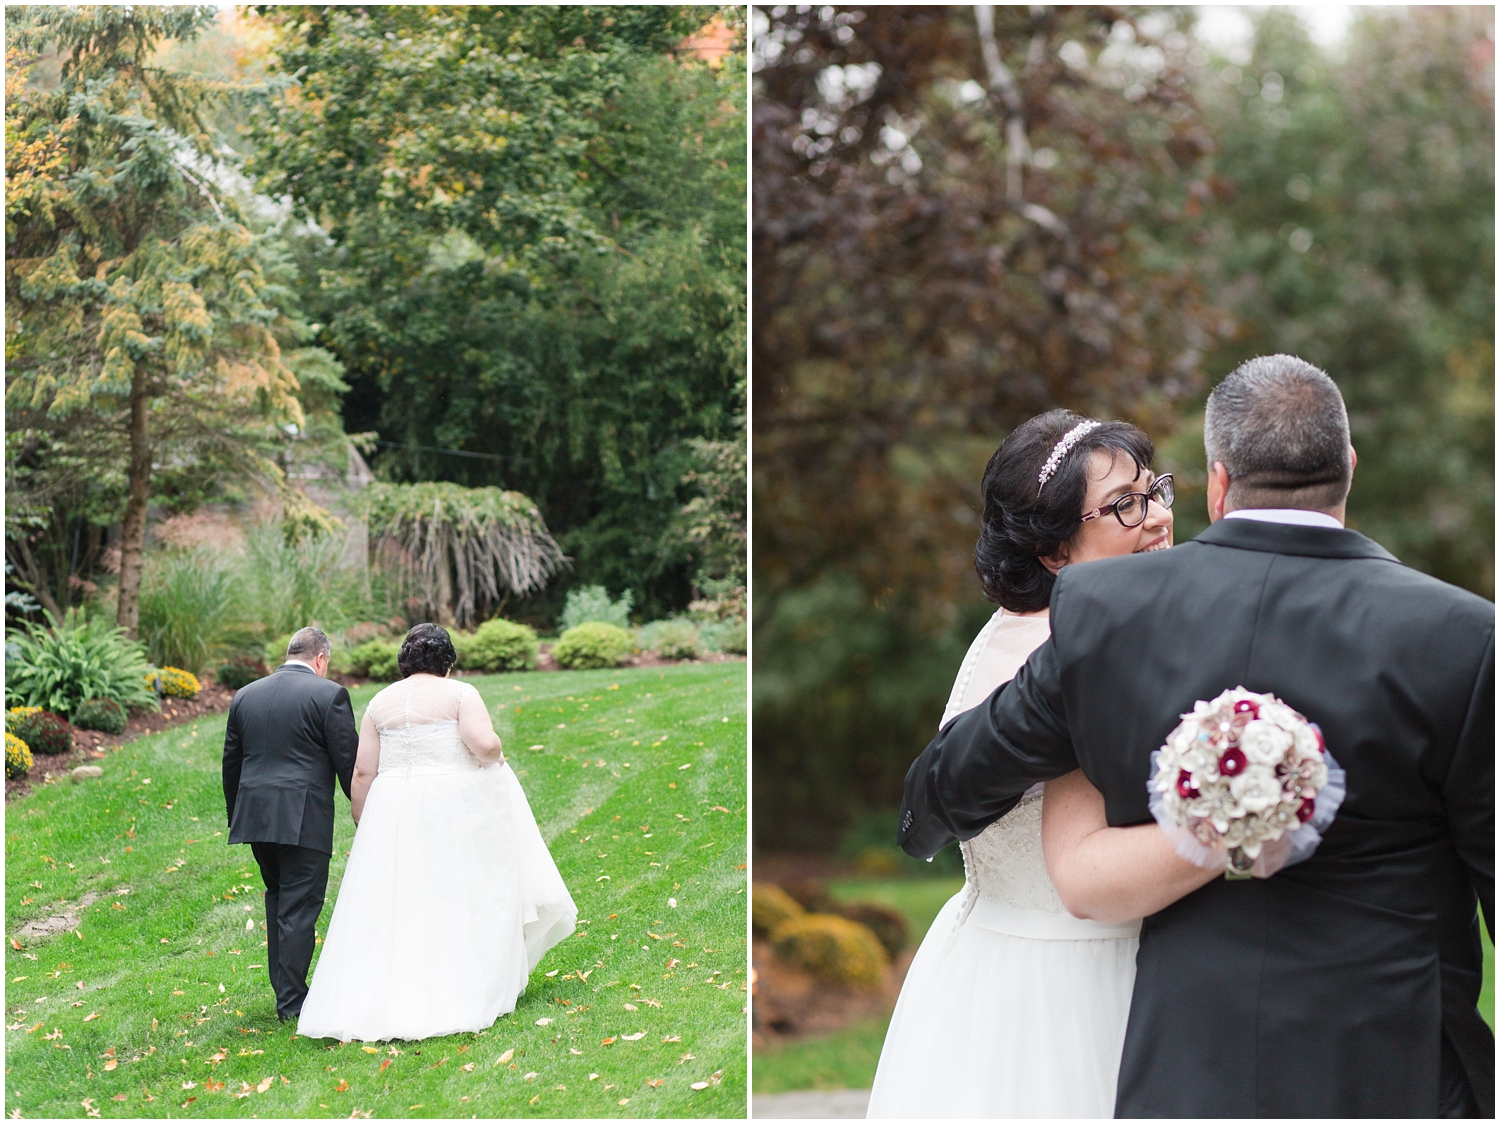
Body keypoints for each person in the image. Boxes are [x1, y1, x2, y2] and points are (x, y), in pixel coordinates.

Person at [899, 355, 1494, 1117]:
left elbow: (947, 786)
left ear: (1218, 481)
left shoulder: (1107, 618)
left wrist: (926, 820)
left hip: (1183, 1062)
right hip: (1397, 1068)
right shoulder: (1464, 637)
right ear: (1347, 468)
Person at [868, 411, 1214, 1118]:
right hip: (1065, 986)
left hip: (989, 957)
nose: (1157, 520)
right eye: (1124, 506)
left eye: (1156, 493)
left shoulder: (1020, 629)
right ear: (1054, 550)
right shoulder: (1067, 657)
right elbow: (1084, 861)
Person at [296, 623, 576, 1042]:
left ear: (405, 662)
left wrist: (364, 819)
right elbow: (482, 744)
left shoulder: (379, 702)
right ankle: (462, 984)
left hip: (393, 807)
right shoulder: (460, 693)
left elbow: (364, 771)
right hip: (451, 802)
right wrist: (497, 751)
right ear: (447, 662)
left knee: (399, 898)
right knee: (460, 891)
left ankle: (388, 991)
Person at [222, 626, 359, 1022]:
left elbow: (232, 764)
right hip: (303, 818)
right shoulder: (328, 694)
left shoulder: (245, 696)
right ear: (320, 659)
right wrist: (366, 808)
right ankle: (293, 1004)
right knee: (298, 909)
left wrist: (239, 814)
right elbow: (347, 763)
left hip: (254, 818)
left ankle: (287, 994)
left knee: (279, 899)